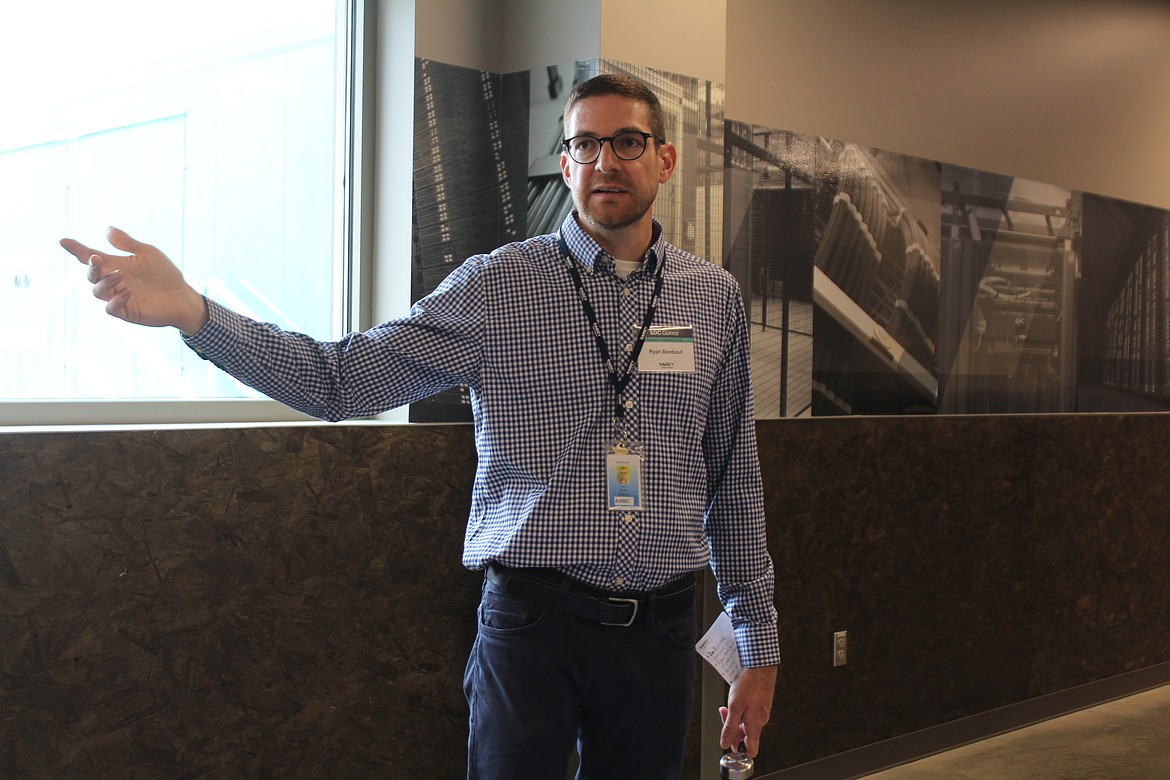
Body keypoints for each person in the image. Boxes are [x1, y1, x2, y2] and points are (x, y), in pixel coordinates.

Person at [62, 73, 779, 779]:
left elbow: (734, 481)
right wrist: (195, 312)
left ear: (665, 158)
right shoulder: (498, 287)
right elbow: (339, 378)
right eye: (585, 145)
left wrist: (759, 644)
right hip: (534, 629)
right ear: (564, 165)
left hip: (660, 631)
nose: (605, 162)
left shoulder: (712, 298)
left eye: (627, 141)